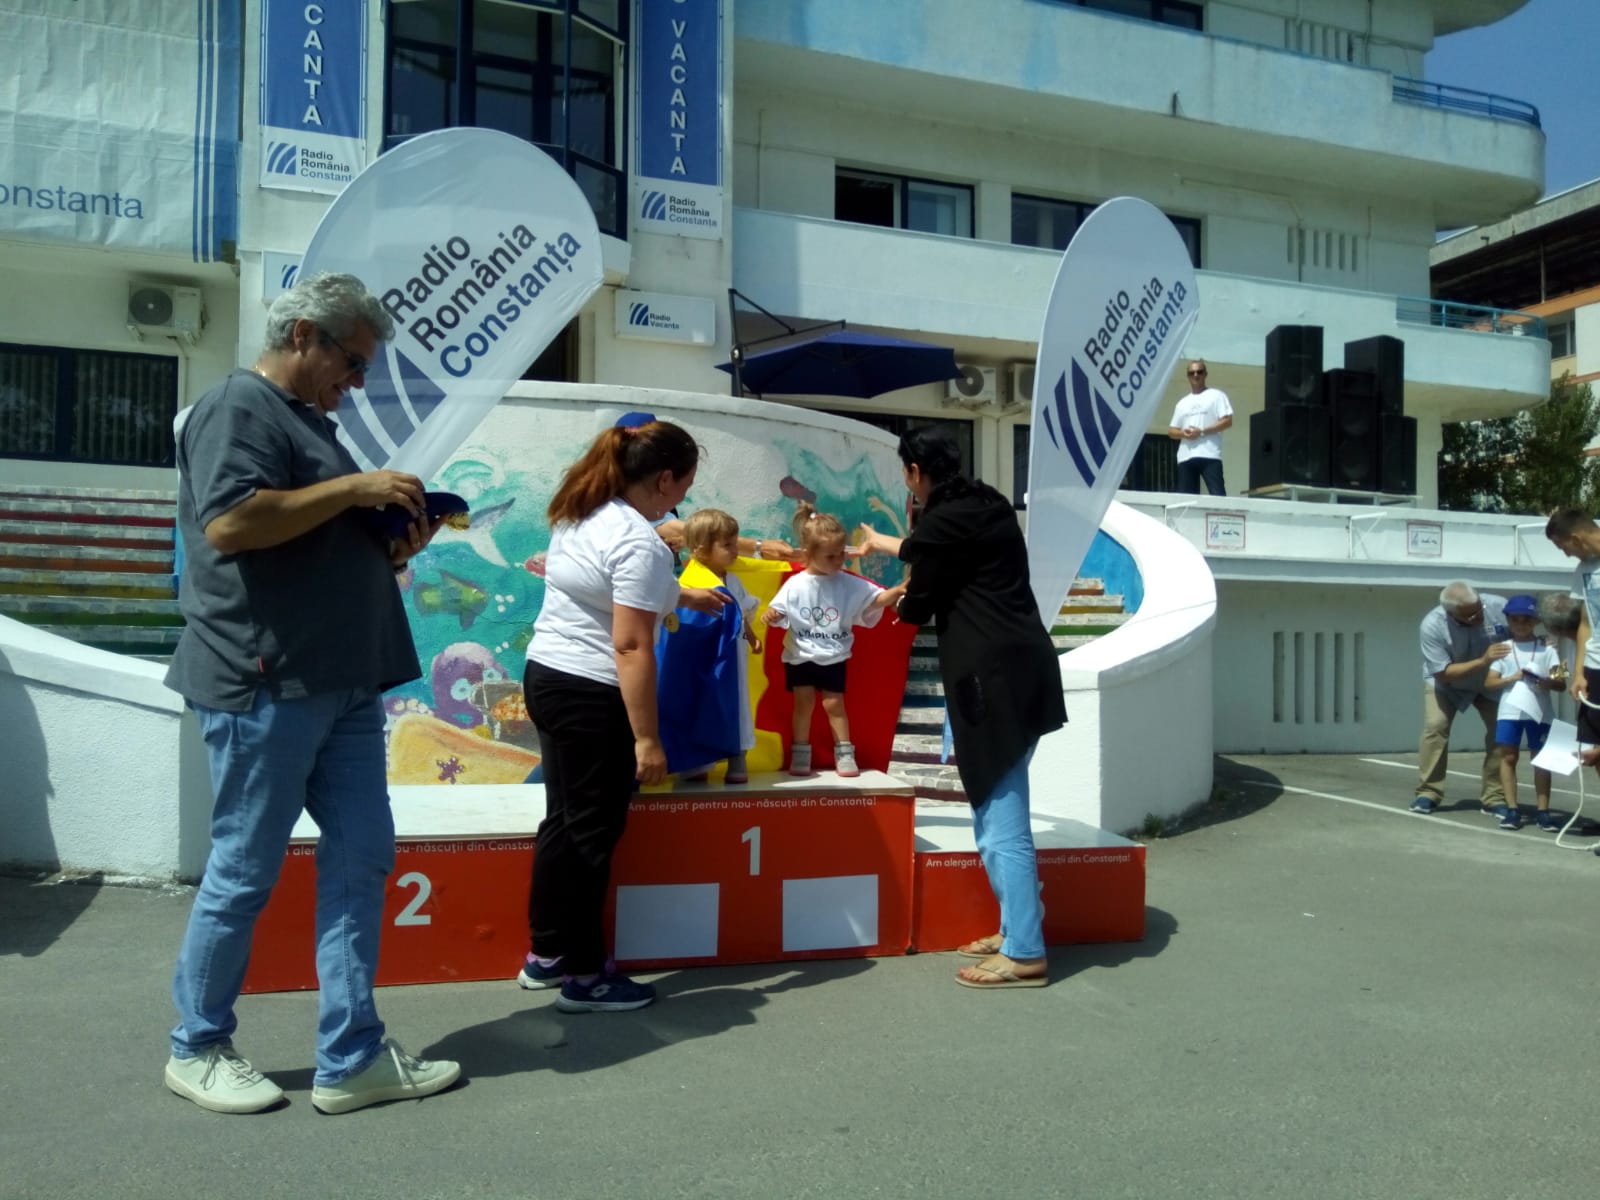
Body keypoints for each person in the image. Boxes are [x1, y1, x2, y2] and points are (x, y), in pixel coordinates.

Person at [163, 271, 461, 1114]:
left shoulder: (306, 423)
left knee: (362, 855)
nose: (357, 381)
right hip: (268, 679)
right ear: (303, 335)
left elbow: (302, 534)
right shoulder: (238, 406)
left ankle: (351, 1055)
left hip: (341, 680)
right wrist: (356, 489)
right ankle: (197, 1045)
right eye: (353, 362)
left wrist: (390, 543)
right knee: (244, 868)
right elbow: (232, 523)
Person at [516, 416, 727, 1009]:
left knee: (563, 821)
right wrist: (647, 739)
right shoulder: (638, 540)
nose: (680, 501)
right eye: (683, 486)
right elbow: (631, 645)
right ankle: (585, 977)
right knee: (591, 835)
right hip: (592, 693)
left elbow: (606, 585)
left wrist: (683, 593)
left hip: (547, 676)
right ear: (664, 480)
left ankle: (547, 953)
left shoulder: (580, 509)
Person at [856, 426, 1066, 989]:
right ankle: (1016, 925)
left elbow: (921, 585)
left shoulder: (943, 521)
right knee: (994, 806)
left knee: (1000, 819)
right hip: (1026, 667)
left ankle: (1025, 952)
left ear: (914, 472)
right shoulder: (988, 504)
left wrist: (884, 578)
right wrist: (894, 561)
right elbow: (930, 567)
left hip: (989, 679)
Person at [762, 503, 903, 778]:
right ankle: (801, 752)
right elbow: (779, 610)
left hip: (834, 655)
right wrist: (773, 614)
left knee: (834, 704)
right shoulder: (796, 584)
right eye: (830, 556)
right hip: (800, 655)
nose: (839, 561)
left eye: (842, 554)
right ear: (808, 554)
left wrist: (897, 591)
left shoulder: (848, 582)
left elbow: (876, 599)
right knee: (803, 704)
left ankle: (845, 752)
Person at [1411, 581, 1510, 815]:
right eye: (1470, 615)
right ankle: (1428, 793)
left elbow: (1524, 635)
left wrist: (1545, 649)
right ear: (1450, 613)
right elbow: (1443, 673)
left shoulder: (1499, 607)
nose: (1479, 617)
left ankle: (1494, 796)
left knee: (1502, 731)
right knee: (1436, 727)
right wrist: (1483, 661)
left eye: (1479, 609)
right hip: (1448, 684)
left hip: (1490, 681)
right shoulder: (1432, 625)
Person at [678, 508, 761, 784]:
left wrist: (751, 635)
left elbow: (741, 612)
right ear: (701, 550)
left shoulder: (733, 580)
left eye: (735, 543)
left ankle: (737, 757)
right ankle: (695, 764)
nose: (735, 550)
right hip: (706, 662)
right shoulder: (689, 584)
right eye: (727, 545)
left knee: (737, 705)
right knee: (702, 705)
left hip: (734, 659)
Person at [1482, 594, 1565, 831]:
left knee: (1541, 760)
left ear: (1536, 621)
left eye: (1527, 619)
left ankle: (1543, 811)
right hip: (1510, 712)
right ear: (1508, 620)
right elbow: (1489, 683)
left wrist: (1548, 682)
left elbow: (1562, 683)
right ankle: (1512, 809)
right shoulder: (1503, 648)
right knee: (1508, 757)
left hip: (1540, 712)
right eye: (1515, 619)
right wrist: (1512, 678)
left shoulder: (1549, 649)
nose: (1521, 624)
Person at [1546, 511, 1600, 833]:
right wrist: (1578, 672)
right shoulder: (1584, 569)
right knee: (1595, 750)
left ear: (1576, 539)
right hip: (1595, 667)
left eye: (1563, 547)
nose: (1566, 554)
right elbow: (1585, 623)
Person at [1168, 358, 1232, 495]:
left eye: (1199, 372)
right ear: (1188, 376)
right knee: (1185, 501)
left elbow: (1227, 421)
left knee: (1218, 496)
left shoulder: (1217, 396)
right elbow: (1172, 431)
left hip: (1210, 454)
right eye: (1192, 373)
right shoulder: (1182, 403)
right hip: (1186, 457)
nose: (1195, 375)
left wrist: (1202, 431)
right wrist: (1183, 434)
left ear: (1205, 374)